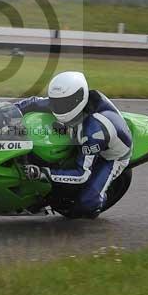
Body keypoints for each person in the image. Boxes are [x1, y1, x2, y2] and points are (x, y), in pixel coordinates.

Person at [15, 71, 132, 218]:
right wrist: (8, 110)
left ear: (78, 99)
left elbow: (82, 174)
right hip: (86, 132)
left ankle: (97, 201)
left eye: (63, 103)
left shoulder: (93, 132)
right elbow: (32, 103)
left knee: (86, 205)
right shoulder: (64, 102)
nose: (57, 107)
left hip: (110, 156)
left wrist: (43, 173)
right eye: (55, 101)